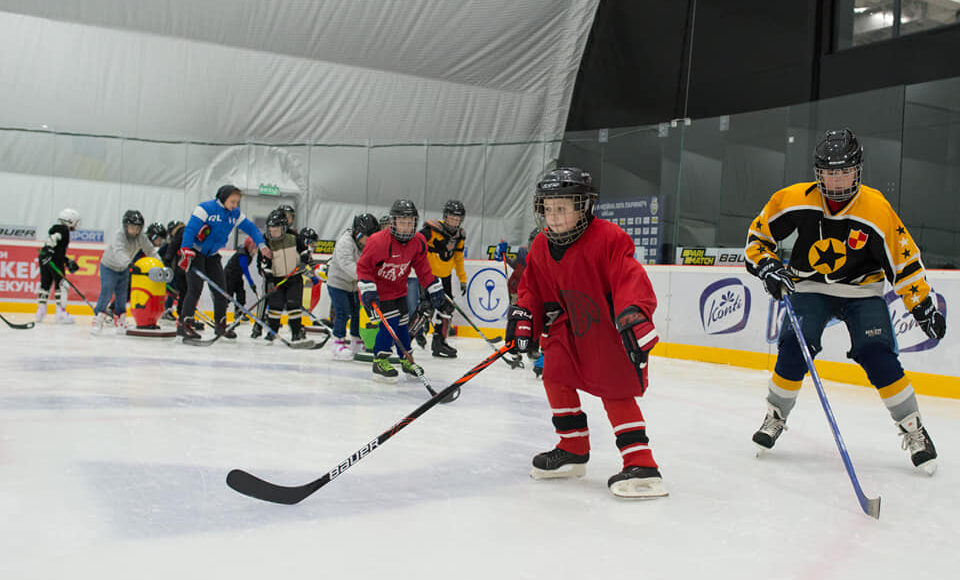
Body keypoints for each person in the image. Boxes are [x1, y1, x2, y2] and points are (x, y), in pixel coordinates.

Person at [746, 128, 944, 474]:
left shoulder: (876, 208)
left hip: (862, 290)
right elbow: (758, 237)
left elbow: (903, 261)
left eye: (844, 171)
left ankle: (913, 428)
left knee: (876, 351)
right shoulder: (793, 199)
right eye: (829, 172)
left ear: (858, 170)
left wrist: (922, 304)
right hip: (809, 286)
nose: (837, 180)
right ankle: (775, 415)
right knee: (795, 344)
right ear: (817, 173)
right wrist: (768, 266)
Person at [505, 167, 667, 498]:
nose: (554, 217)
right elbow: (532, 290)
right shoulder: (540, 247)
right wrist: (524, 316)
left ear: (583, 207)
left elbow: (628, 276)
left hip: (607, 328)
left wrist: (634, 315)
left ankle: (642, 463)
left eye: (562, 208)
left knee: (615, 390)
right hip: (569, 326)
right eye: (548, 209)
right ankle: (572, 448)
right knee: (554, 374)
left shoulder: (609, 238)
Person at [356, 199, 453, 382]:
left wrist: (432, 285)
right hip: (377, 293)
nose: (406, 227)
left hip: (399, 291)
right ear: (393, 222)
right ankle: (380, 360)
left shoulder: (418, 242)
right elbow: (363, 267)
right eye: (402, 222)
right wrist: (368, 288)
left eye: (410, 223)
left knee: (402, 325)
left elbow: (423, 268)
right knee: (390, 323)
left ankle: (407, 359)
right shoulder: (378, 241)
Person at [177, 185, 271, 340]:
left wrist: (262, 245)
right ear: (223, 197)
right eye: (232, 201)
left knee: (222, 290)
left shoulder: (235, 214)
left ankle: (221, 325)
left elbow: (251, 228)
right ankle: (184, 325)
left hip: (213, 255)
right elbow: (190, 230)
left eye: (237, 202)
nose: (234, 205)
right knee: (195, 288)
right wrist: (185, 248)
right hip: (196, 253)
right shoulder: (206, 208)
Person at [91, 210, 161, 334]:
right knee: (107, 290)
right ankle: (98, 319)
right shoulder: (119, 235)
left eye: (138, 228)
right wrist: (129, 263)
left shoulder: (141, 237)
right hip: (109, 266)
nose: (135, 230)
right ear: (125, 226)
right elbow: (118, 251)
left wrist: (160, 265)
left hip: (123, 269)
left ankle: (120, 320)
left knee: (122, 296)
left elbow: (151, 251)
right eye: (132, 227)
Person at [417, 199, 467, 358]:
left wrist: (462, 279)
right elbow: (416, 245)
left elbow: (458, 258)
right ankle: (411, 336)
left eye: (457, 219)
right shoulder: (431, 230)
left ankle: (439, 343)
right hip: (429, 275)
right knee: (427, 308)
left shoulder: (460, 235)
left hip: (446, 276)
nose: (454, 222)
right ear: (445, 216)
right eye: (451, 218)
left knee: (446, 309)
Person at [327, 213, 379, 360]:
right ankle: (338, 342)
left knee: (357, 311)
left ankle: (356, 340)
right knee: (343, 311)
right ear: (358, 232)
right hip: (338, 283)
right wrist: (365, 277)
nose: (370, 240)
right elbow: (346, 264)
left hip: (355, 285)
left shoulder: (366, 244)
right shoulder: (345, 242)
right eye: (368, 236)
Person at [259, 210, 311, 342]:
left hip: (294, 278)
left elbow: (305, 251)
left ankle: (296, 332)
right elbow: (264, 263)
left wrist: (304, 262)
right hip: (277, 279)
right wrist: (269, 279)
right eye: (271, 230)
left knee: (293, 305)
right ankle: (272, 332)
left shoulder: (294, 237)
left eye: (276, 230)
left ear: (284, 228)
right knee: (275, 307)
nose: (273, 233)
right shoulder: (266, 242)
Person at [35, 208, 81, 324]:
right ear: (70, 221)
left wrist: (66, 260)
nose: (76, 224)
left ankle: (40, 312)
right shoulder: (63, 230)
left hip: (46, 259)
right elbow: (54, 239)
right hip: (53, 261)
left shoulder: (56, 228)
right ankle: (60, 313)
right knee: (62, 285)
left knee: (45, 284)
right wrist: (49, 249)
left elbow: (57, 250)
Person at [224, 235, 258, 323]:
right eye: (254, 247)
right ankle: (221, 313)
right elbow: (245, 271)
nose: (256, 249)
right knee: (228, 295)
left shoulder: (248, 254)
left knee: (241, 294)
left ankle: (239, 312)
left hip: (238, 276)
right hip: (229, 276)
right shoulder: (242, 255)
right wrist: (251, 283)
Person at [161, 221, 186, 321]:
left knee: (177, 291)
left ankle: (178, 312)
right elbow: (162, 255)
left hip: (176, 270)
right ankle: (168, 309)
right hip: (171, 270)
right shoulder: (170, 244)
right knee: (173, 291)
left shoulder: (177, 241)